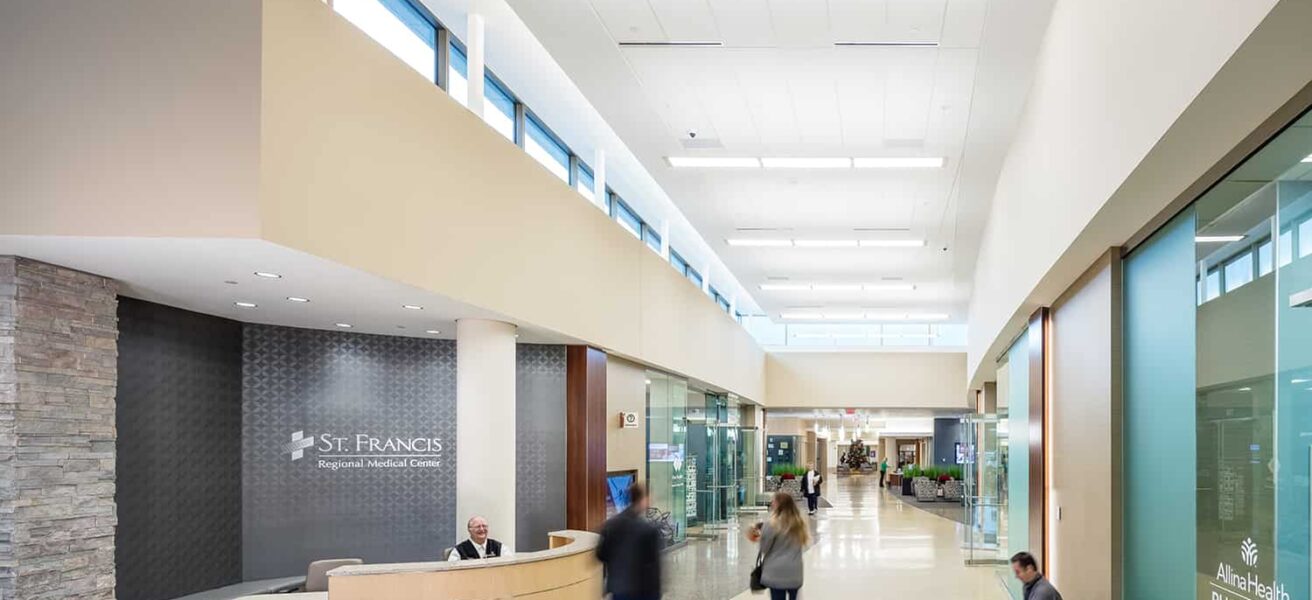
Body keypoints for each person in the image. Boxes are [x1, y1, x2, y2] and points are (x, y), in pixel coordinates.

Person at [596, 482, 662, 600]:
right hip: (641, 592)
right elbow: (653, 569)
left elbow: (601, 554)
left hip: (619, 590)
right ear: (643, 500)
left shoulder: (611, 524)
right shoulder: (649, 530)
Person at [748, 492, 809, 600]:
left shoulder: (772, 524)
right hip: (795, 571)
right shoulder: (799, 523)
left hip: (776, 573)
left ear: (779, 504)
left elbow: (764, 549)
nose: (772, 503)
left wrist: (759, 537)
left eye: (774, 501)